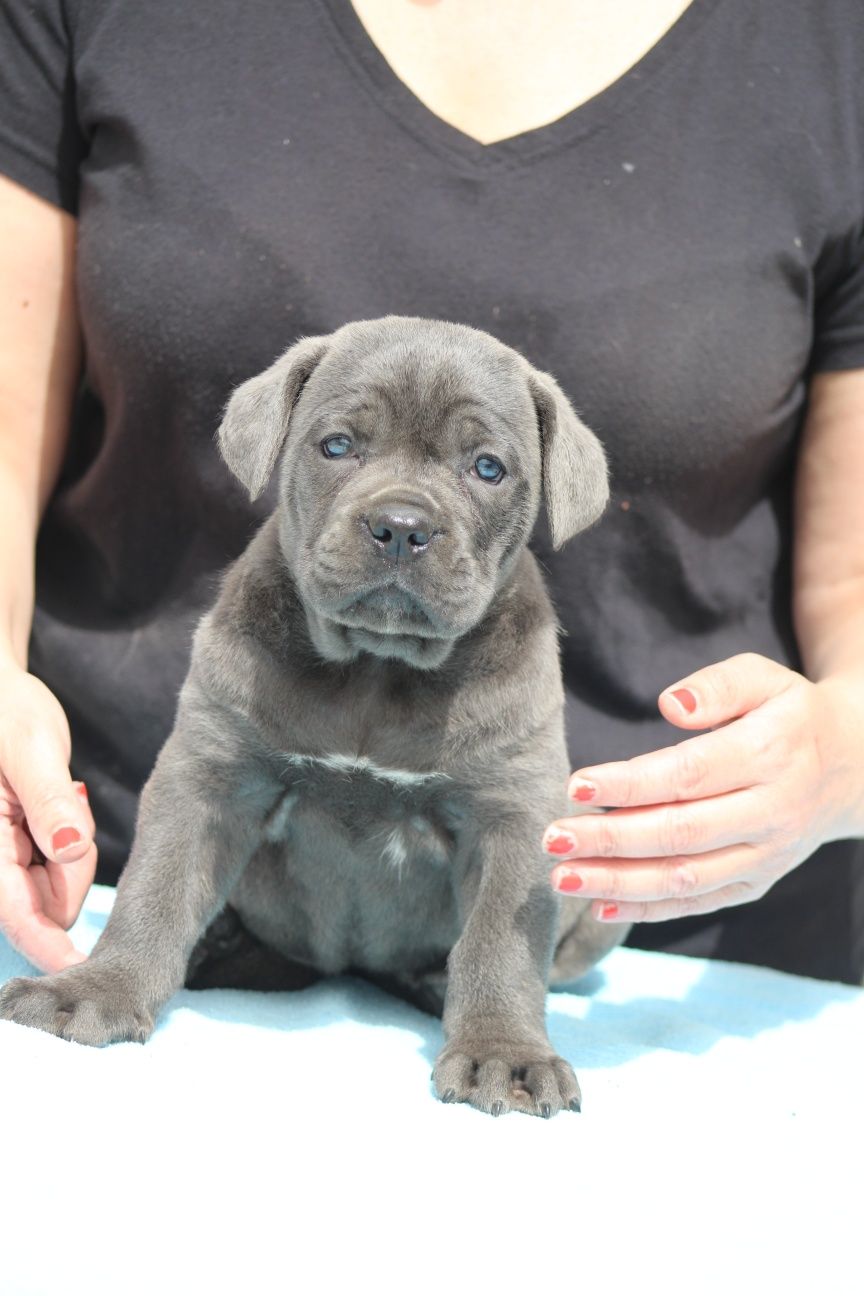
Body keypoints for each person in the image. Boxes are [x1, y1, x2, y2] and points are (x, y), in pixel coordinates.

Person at [0, 0, 862, 987]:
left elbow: (855, 575)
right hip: (136, 900)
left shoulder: (837, 49)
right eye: (340, 445)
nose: (403, 515)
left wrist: (845, 750)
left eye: (484, 466)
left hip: (647, 958)